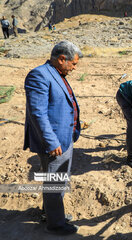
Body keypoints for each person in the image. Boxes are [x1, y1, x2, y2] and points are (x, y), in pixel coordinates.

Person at [24, 40, 82, 235]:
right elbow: (37, 113)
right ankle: (55, 224)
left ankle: (51, 213)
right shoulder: (39, 75)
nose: (74, 68)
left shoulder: (57, 72)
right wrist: (51, 141)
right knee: (54, 183)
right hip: (54, 142)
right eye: (73, 64)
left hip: (65, 138)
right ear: (61, 59)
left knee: (59, 180)